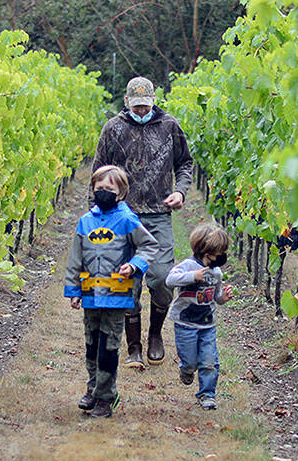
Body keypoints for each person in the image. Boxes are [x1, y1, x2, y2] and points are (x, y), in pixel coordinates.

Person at [94, 76, 194, 369]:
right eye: (136, 106)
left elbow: (185, 164)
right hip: (122, 217)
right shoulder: (113, 129)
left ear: (153, 102)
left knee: (163, 278)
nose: (140, 111)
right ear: (126, 102)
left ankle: (155, 334)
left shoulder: (169, 127)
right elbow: (99, 171)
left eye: (145, 106)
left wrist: (180, 191)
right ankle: (134, 346)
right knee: (127, 282)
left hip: (158, 215)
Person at [64, 165, 160, 418]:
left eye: (109, 189)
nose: (103, 192)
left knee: (108, 346)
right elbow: (75, 259)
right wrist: (74, 290)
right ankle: (93, 387)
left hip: (117, 296)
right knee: (91, 344)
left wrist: (134, 265)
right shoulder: (85, 222)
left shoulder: (127, 220)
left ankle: (106, 396)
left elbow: (150, 245)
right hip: (90, 296)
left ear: (121, 193)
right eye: (99, 189)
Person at [165, 223, 234, 410]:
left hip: (207, 324)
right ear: (207, 251)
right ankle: (186, 369)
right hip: (185, 322)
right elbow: (170, 280)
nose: (222, 257)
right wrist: (192, 276)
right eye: (220, 252)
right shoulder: (188, 266)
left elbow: (216, 297)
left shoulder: (217, 272)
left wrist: (223, 298)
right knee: (190, 361)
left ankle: (207, 394)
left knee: (210, 361)